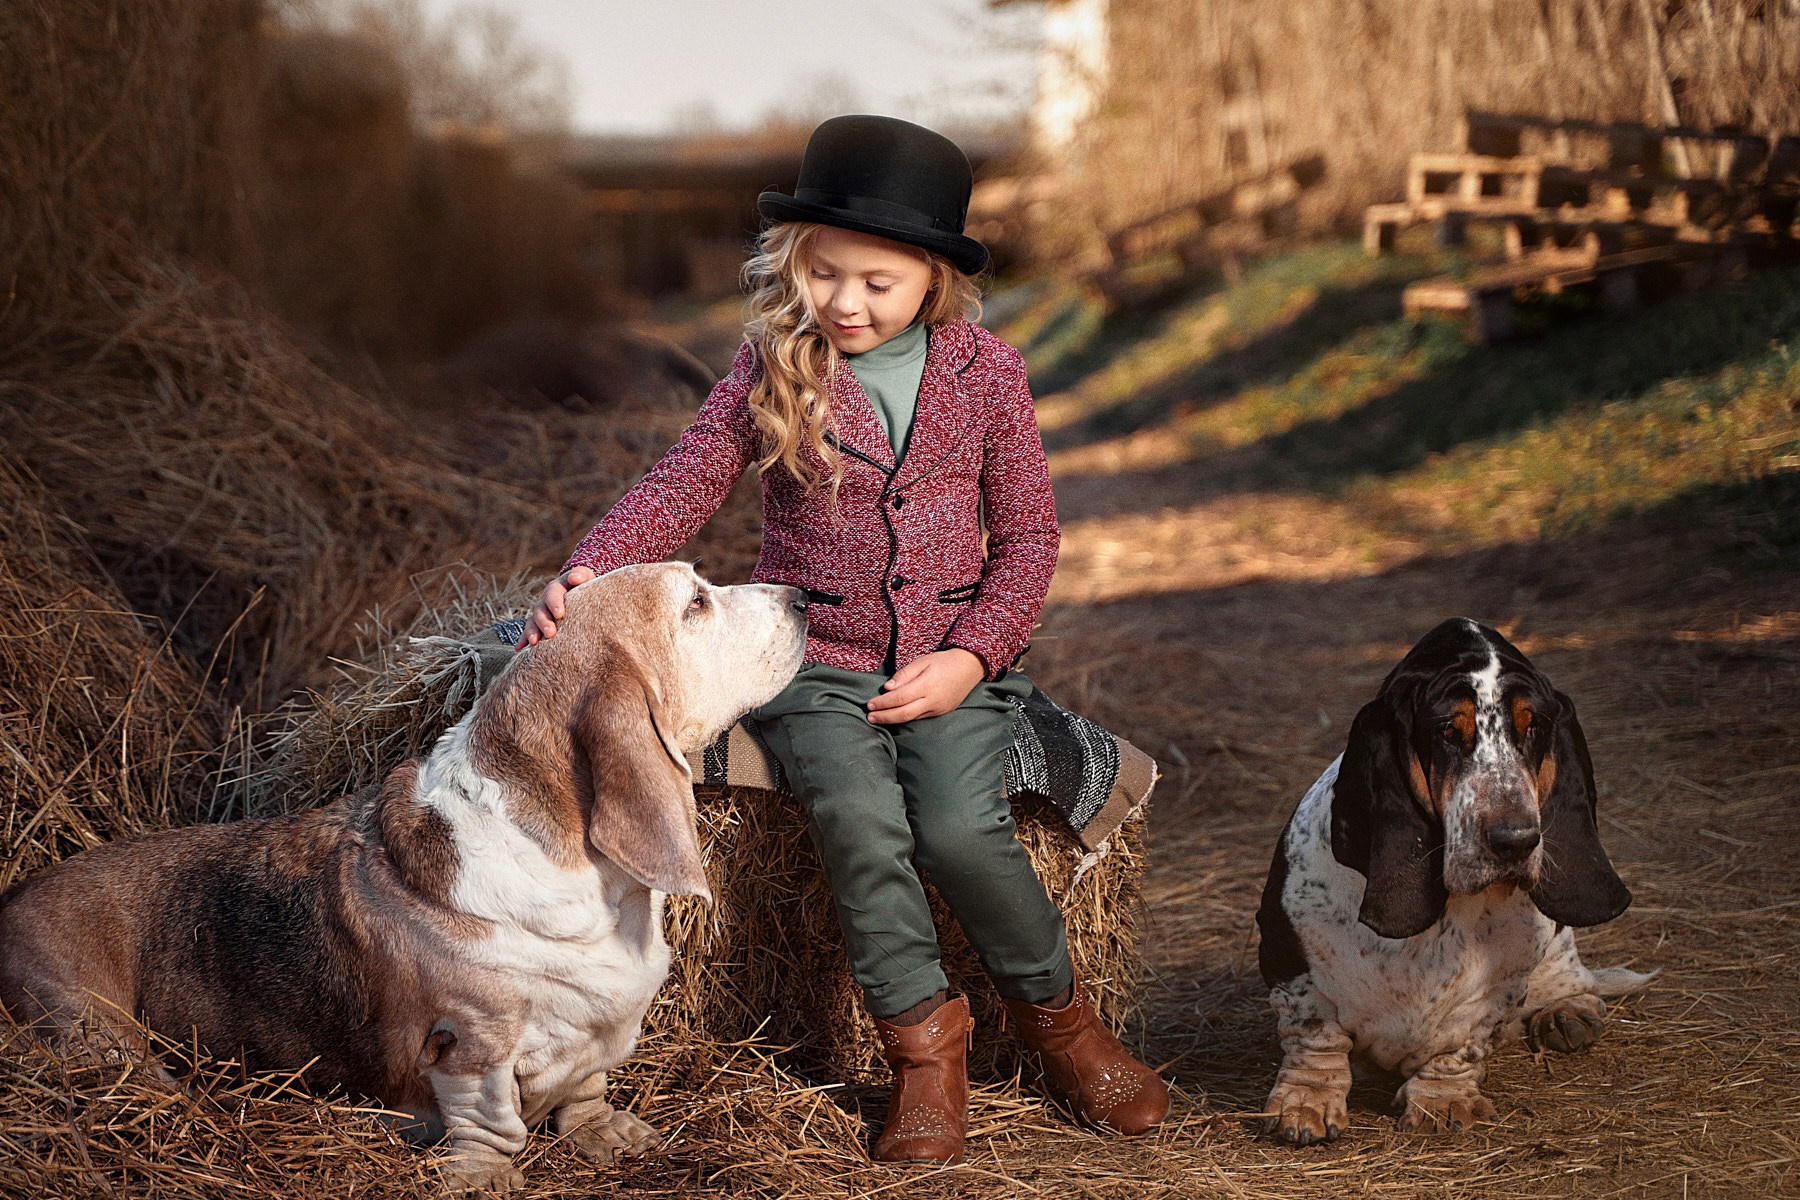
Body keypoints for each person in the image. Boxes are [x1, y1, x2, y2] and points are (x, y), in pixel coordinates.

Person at [519, 114, 1168, 1165]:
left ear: (933, 281)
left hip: (954, 655)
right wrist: (596, 566)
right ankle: (924, 1052)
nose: (847, 302)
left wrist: (973, 654)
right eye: (825, 275)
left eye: (877, 282)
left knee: (960, 827)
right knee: (860, 820)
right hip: (814, 658)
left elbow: (1032, 535)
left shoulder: (989, 373)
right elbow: (686, 479)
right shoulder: (775, 363)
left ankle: (1060, 1021)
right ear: (793, 266)